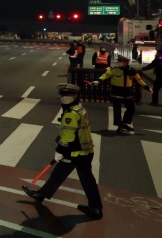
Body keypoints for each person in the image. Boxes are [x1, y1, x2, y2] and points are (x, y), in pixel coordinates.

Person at [23, 83, 103, 220]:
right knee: (85, 179)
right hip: (86, 151)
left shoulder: (71, 114)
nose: (65, 97)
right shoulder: (79, 109)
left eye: (68, 95)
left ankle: (41, 195)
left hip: (74, 152)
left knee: (60, 174)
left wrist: (59, 150)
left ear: (75, 95)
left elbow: (68, 136)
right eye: (63, 95)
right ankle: (95, 208)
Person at [93, 55, 152, 134]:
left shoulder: (132, 71)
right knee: (117, 110)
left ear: (126, 62)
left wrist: (147, 88)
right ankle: (119, 125)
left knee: (131, 108)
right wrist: (98, 81)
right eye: (119, 61)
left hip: (128, 92)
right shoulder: (114, 70)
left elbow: (139, 80)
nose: (119, 63)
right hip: (116, 92)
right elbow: (106, 75)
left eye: (121, 61)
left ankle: (124, 123)